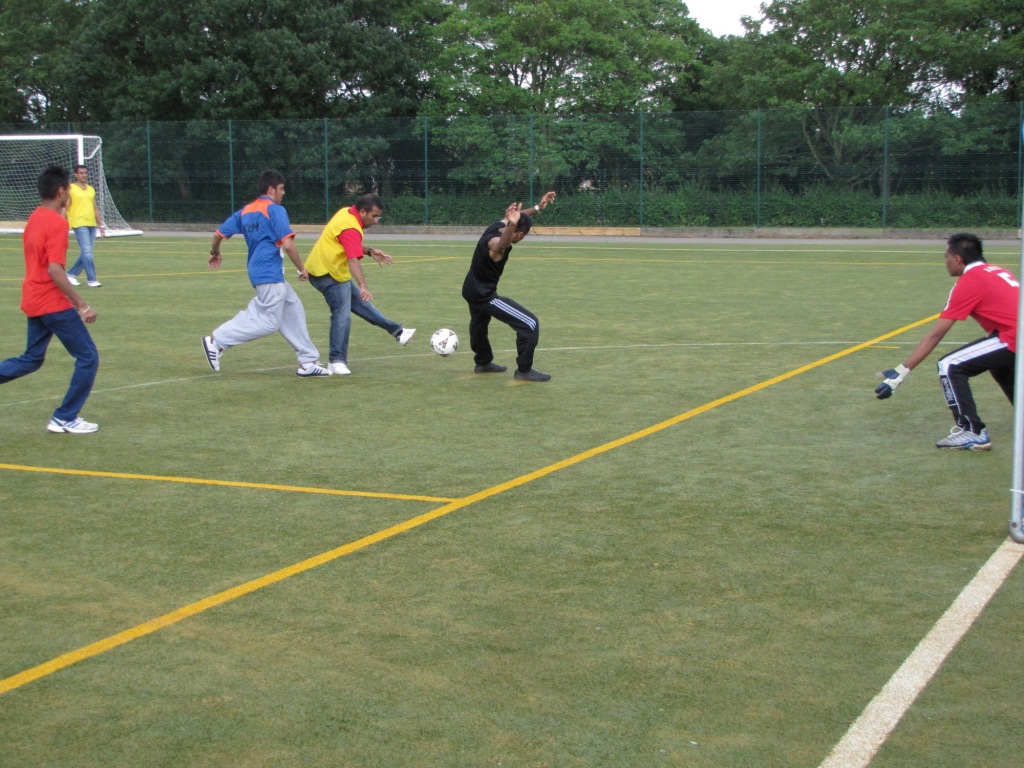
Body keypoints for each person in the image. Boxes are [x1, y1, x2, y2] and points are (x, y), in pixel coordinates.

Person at [875, 232, 1016, 450]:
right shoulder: (998, 271)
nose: (945, 262)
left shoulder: (969, 282)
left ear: (957, 259)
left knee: (949, 365)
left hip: (1013, 336)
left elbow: (935, 335)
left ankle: (973, 432)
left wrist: (901, 372)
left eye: (946, 257)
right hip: (1012, 334)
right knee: (1001, 366)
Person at [201, 170, 331, 377]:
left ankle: (308, 362)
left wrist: (215, 253)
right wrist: (301, 268)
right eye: (281, 189)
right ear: (271, 189)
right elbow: (288, 245)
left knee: (293, 308)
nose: (283, 193)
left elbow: (218, 235)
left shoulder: (246, 211)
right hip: (268, 272)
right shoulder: (275, 210)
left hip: (261, 271)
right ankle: (217, 341)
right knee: (269, 322)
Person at [0, 166, 100, 434]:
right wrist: (82, 305)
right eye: (68, 188)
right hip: (51, 302)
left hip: (33, 298)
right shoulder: (57, 223)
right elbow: (55, 270)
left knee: (32, 359)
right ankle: (65, 417)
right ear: (61, 191)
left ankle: (65, 417)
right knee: (88, 357)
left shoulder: (35, 217)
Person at [304, 193, 415, 376]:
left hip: (323, 270)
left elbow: (349, 244)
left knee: (363, 305)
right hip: (328, 273)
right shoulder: (350, 227)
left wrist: (370, 251)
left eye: (378, 217)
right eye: (374, 216)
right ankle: (336, 361)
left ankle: (398, 332)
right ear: (363, 212)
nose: (376, 221)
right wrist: (363, 285)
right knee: (342, 314)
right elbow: (352, 259)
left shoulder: (346, 213)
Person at [462, 191, 557, 382]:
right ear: (520, 234)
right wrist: (514, 224)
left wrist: (538, 207)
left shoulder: (497, 226)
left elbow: (516, 219)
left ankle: (483, 362)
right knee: (530, 324)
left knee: (479, 323)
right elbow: (501, 245)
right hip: (484, 295)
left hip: (470, 288)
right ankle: (524, 371)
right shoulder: (497, 244)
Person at [65, 164, 106, 288]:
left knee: (86, 252)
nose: (84, 175)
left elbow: (95, 208)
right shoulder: (71, 188)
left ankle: (71, 274)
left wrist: (101, 225)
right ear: (76, 174)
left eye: (85, 173)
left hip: (91, 224)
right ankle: (92, 280)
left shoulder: (90, 189)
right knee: (87, 252)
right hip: (79, 223)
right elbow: (65, 206)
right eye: (81, 173)